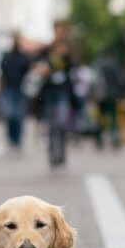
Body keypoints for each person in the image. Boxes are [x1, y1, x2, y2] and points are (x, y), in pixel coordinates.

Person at [32, 25, 77, 169]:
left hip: (64, 92)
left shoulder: (68, 50)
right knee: (52, 125)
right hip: (49, 92)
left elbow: (74, 68)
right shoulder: (47, 50)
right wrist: (44, 69)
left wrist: (67, 55)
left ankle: (61, 155)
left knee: (62, 124)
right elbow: (35, 64)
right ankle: (52, 156)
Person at [0, 33, 32, 150]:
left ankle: (16, 139)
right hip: (10, 89)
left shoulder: (23, 57)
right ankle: (12, 138)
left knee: (18, 116)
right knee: (10, 115)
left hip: (20, 89)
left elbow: (28, 70)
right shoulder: (7, 56)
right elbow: (2, 72)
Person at [91, 52, 125, 150]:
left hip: (100, 96)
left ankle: (99, 141)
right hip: (112, 95)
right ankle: (114, 140)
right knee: (113, 118)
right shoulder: (114, 64)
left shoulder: (97, 64)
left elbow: (92, 80)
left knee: (100, 118)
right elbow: (121, 80)